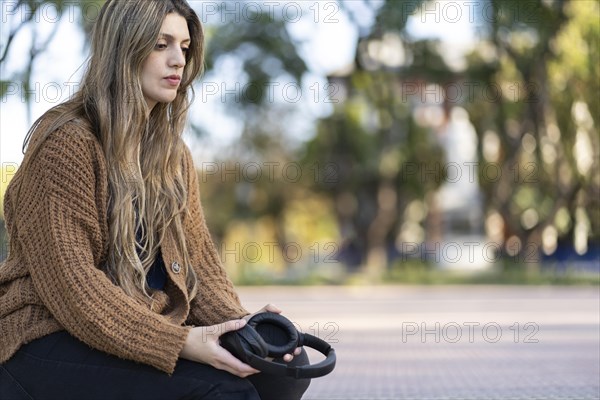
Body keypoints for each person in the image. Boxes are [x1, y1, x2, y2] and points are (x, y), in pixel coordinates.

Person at [0, 1, 310, 399]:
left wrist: (241, 327)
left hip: (138, 327)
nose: (177, 60)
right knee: (225, 392)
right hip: (44, 338)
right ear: (124, 49)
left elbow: (200, 269)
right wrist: (181, 343)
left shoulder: (171, 155)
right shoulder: (67, 144)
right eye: (161, 44)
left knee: (286, 371)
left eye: (183, 47)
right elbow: (74, 288)